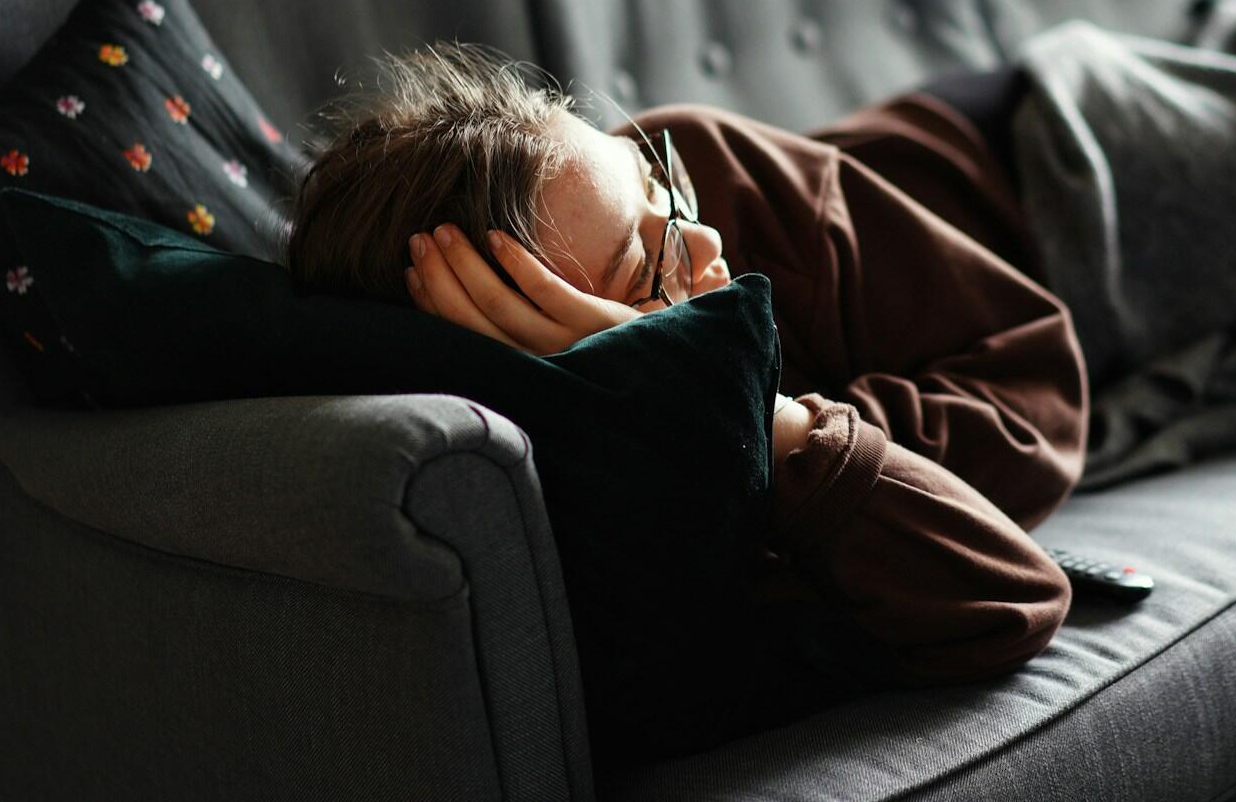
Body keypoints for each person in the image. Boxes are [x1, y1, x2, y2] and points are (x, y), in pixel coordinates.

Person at [287, 44, 1087, 687]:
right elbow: (1010, 597)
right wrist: (746, 410)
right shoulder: (624, 494)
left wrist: (780, 420)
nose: (703, 243)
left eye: (654, 183)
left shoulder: (708, 165)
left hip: (1049, 144)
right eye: (646, 269)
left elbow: (1038, 397)